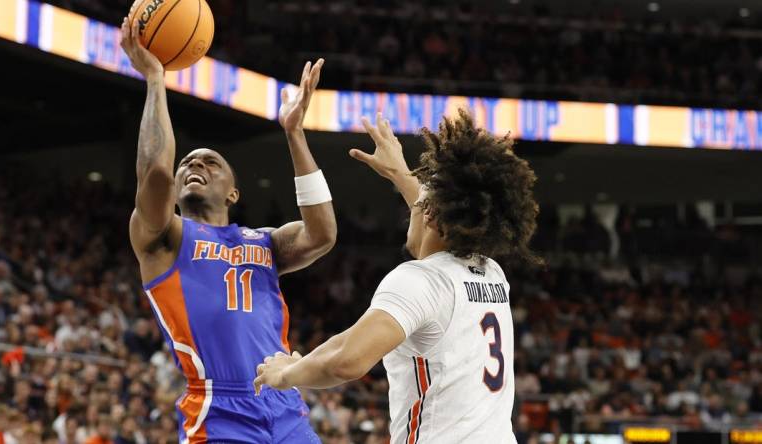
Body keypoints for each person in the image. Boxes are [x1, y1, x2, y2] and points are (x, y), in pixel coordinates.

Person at [255, 110, 540, 443]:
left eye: (418, 206)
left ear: (432, 216)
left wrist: (286, 374)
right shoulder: (492, 274)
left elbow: (347, 360)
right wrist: (400, 172)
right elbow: (435, 213)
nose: (412, 208)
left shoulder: (420, 280)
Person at [119, 15, 336, 444]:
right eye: (189, 163)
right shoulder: (165, 238)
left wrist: (294, 134)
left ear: (234, 193)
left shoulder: (266, 241)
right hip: (218, 409)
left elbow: (322, 233)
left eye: (210, 162)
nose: (194, 165)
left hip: (285, 401)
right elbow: (157, 171)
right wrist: (156, 79)